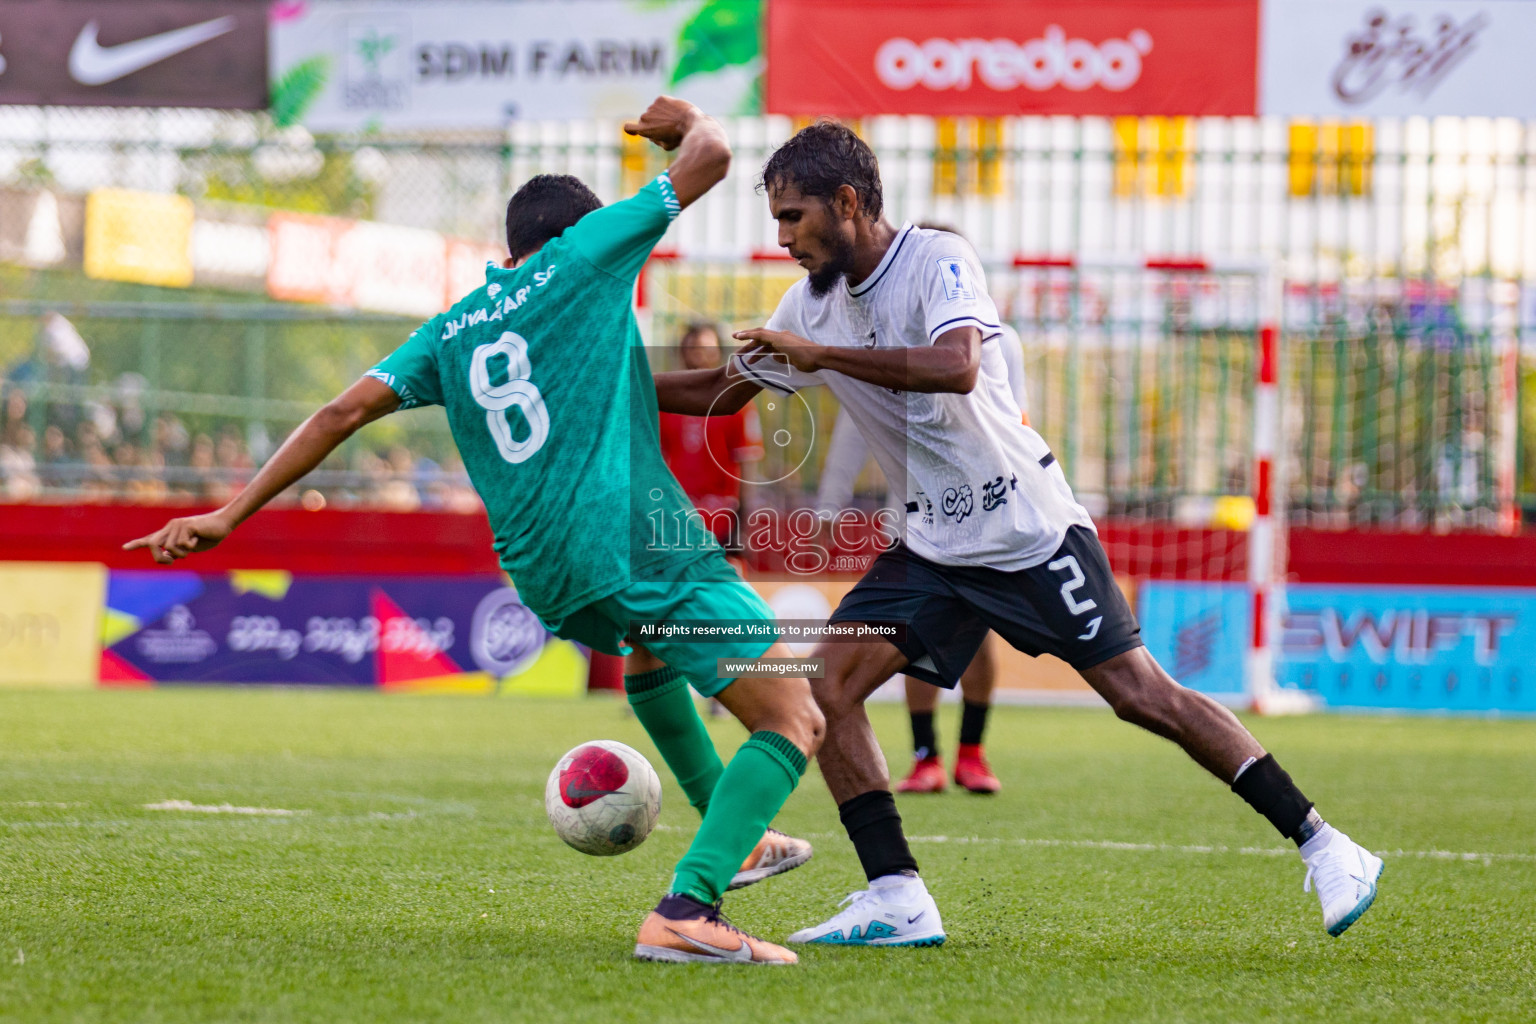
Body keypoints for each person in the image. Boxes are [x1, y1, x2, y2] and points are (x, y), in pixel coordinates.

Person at [124, 96, 823, 967]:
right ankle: (690, 904)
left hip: (543, 577)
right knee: (795, 714)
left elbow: (343, 410)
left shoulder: (452, 328)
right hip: (630, 541)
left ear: (506, 254)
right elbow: (713, 154)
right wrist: (681, 124)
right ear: (587, 231)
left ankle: (741, 840)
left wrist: (229, 512)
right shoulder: (588, 257)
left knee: (648, 651)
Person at [653, 120, 1382, 948]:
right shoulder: (809, 305)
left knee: (1142, 696)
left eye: (793, 218)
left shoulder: (935, 261)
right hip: (932, 545)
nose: (781, 237)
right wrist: (605, 385)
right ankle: (897, 895)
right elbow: (721, 387)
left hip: (1026, 529)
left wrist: (822, 357)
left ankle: (1327, 845)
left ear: (848, 202)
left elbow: (957, 364)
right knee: (831, 686)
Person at [657, 322, 764, 556]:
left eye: (705, 348)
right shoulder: (662, 404)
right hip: (674, 517)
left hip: (720, 519)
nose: (698, 354)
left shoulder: (737, 404)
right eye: (692, 348)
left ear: (717, 353)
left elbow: (748, 464)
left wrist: (742, 525)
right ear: (681, 352)